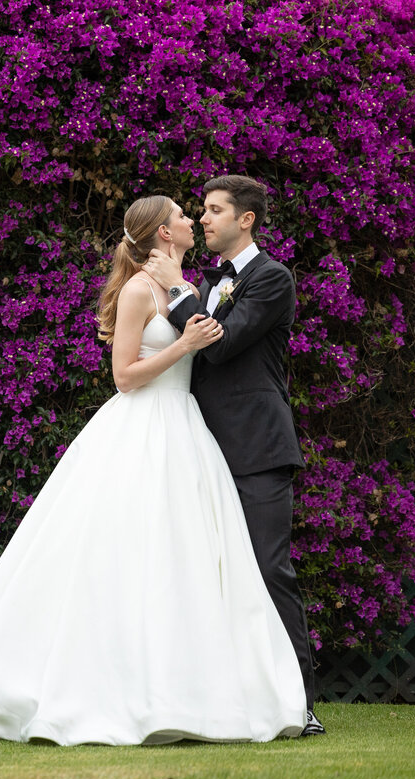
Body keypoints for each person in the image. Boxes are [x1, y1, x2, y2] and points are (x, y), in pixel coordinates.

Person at [0, 195, 306, 745]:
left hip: (188, 432)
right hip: (142, 428)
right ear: (164, 234)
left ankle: (193, 690)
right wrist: (184, 344)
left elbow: (217, 338)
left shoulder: (188, 284)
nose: (194, 220)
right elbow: (124, 376)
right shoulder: (138, 289)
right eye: (183, 216)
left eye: (205, 212)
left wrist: (186, 312)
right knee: (122, 555)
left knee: (187, 563)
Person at [141, 175, 322, 736]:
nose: (205, 219)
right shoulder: (208, 281)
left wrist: (174, 289)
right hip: (201, 447)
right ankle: (228, 700)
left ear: (246, 219)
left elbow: (220, 346)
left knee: (269, 570)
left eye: (216, 210)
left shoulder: (273, 279)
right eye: (203, 210)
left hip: (257, 447)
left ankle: (299, 705)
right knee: (208, 576)